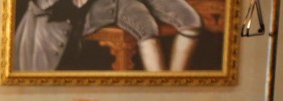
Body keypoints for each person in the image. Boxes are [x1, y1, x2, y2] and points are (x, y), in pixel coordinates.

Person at [14, 0, 202, 72]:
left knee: (190, 20)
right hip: (68, 12)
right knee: (145, 26)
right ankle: (163, 95)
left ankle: (172, 86)